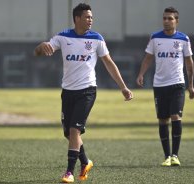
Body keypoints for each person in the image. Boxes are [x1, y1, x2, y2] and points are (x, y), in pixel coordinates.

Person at [34, 3, 133, 183]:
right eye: (87, 17)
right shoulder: (63, 37)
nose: (90, 20)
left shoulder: (96, 38)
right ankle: (86, 161)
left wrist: (123, 87)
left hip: (87, 91)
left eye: (91, 17)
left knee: (74, 130)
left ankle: (69, 172)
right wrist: (41, 46)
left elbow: (109, 63)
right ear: (77, 18)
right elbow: (39, 52)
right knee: (69, 134)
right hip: (67, 92)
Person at [136, 7, 194, 167]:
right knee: (163, 120)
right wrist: (141, 74)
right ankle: (167, 156)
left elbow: (189, 62)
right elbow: (148, 58)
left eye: (170, 18)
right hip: (159, 85)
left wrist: (190, 85)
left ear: (176, 21)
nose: (167, 21)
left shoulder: (183, 39)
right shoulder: (155, 38)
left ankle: (175, 155)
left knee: (175, 116)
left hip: (177, 84)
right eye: (165, 18)